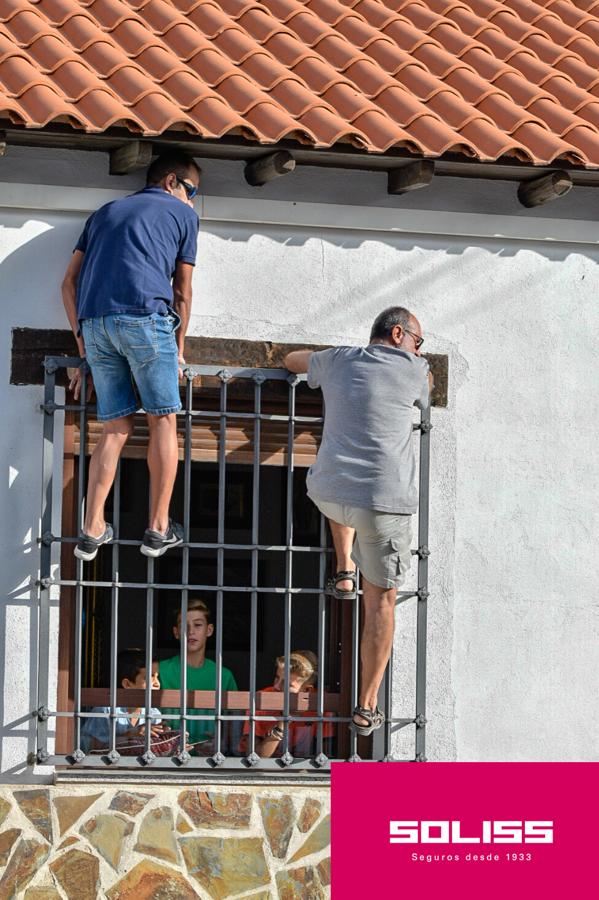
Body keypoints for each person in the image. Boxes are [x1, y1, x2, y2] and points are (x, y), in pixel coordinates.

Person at [283, 307, 432, 737]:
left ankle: (344, 568)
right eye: (417, 341)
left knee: (341, 494)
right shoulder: (412, 368)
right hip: (383, 506)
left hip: (328, 495)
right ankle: (367, 706)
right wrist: (419, 362)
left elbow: (292, 360)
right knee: (381, 603)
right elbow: (429, 389)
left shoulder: (339, 359)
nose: (418, 349)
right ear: (399, 333)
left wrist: (318, 358)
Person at [61, 151, 201, 561]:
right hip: (145, 319)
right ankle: (158, 528)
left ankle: (92, 528)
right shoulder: (183, 216)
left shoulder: (104, 213)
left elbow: (67, 283)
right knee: (163, 420)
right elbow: (182, 291)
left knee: (116, 426)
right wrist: (178, 349)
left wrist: (81, 341)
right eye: (192, 192)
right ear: (172, 181)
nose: (193, 202)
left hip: (95, 324)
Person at [159, 598, 237, 753]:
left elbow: (234, 726)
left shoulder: (224, 675)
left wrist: (220, 744)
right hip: (166, 758)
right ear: (176, 632)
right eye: (184, 626)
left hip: (212, 761)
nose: (191, 631)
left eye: (198, 625)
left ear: (209, 630)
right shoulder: (159, 671)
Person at [239, 651, 334, 759]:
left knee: (354, 771)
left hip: (306, 770)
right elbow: (254, 758)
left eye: (286, 684)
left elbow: (327, 757)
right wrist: (283, 721)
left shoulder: (322, 704)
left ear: (307, 690)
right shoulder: (260, 699)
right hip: (266, 772)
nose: (276, 686)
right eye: (277, 678)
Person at [80, 648, 162, 753]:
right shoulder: (105, 711)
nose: (157, 684)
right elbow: (89, 750)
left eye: (157, 677)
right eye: (150, 677)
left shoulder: (153, 713)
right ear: (127, 684)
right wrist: (129, 735)